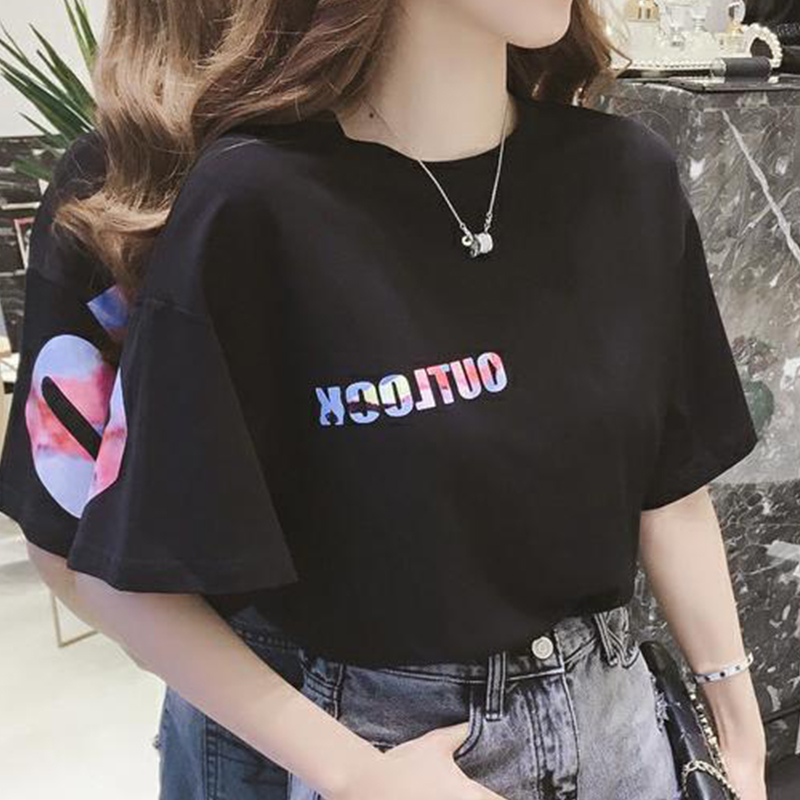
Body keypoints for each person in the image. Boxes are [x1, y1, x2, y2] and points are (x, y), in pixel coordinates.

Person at [0, 0, 768, 799]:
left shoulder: (617, 175)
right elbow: (88, 546)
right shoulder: (200, 195)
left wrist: (739, 742)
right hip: (325, 713)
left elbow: (670, 484)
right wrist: (348, 767)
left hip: (612, 715)